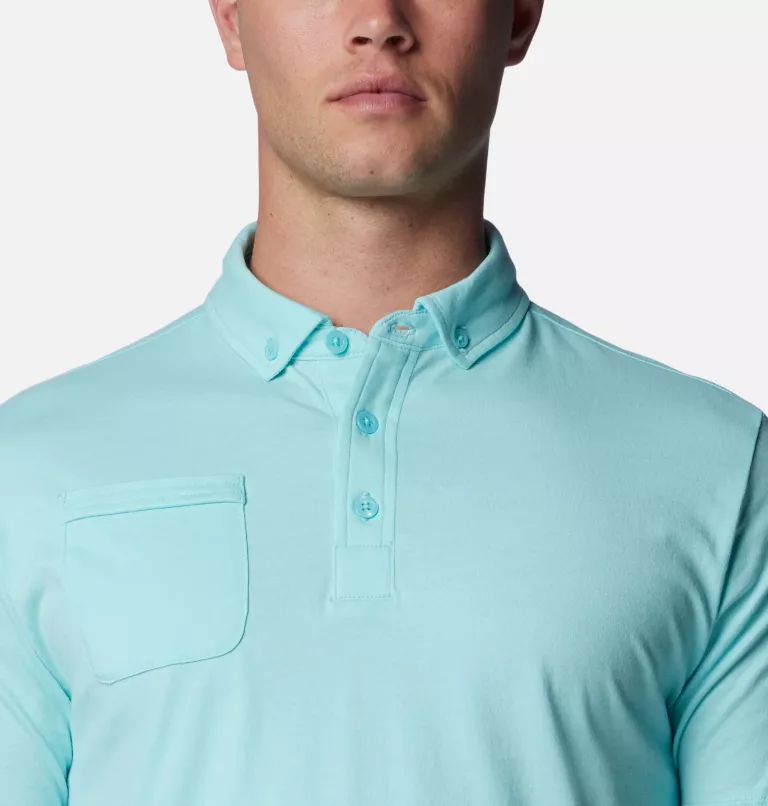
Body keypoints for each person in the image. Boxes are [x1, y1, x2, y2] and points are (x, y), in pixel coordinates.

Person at [0, 0, 766, 803]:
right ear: (230, 17)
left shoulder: (717, 469)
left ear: (519, 16)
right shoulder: (32, 469)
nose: (378, 20)